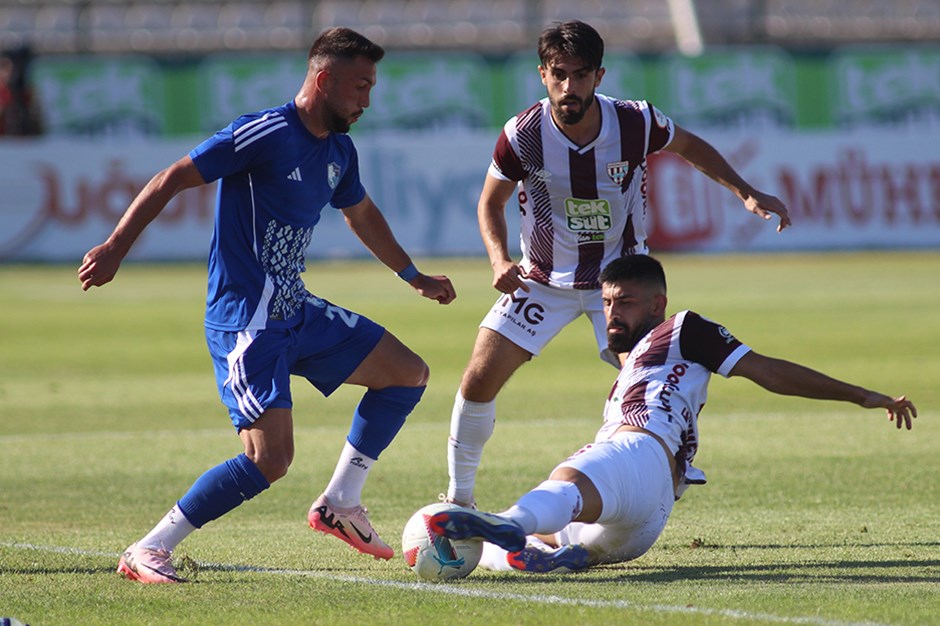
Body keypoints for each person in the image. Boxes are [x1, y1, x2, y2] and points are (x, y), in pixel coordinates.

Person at [78, 27, 456, 583]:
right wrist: (115, 248)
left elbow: (361, 214)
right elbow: (171, 179)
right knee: (270, 460)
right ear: (324, 79)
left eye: (371, 87)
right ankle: (150, 548)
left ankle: (340, 503)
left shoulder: (339, 151)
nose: (367, 101)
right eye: (359, 86)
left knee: (406, 373)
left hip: (294, 309)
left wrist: (412, 274)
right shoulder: (266, 132)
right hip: (246, 320)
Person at [444, 20, 792, 508]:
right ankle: (459, 501)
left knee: (650, 392)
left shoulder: (636, 122)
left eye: (581, 75)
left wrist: (747, 192)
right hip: (542, 279)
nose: (570, 87)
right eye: (559, 74)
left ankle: (672, 465)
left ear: (599, 76)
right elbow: (489, 203)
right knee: (477, 380)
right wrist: (499, 258)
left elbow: (690, 147)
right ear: (542, 74)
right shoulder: (522, 135)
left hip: (622, 281)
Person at [430, 254, 916, 573]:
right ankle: (533, 548)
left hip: (637, 450)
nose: (611, 314)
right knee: (541, 538)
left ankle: (511, 522)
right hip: (644, 523)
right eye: (606, 303)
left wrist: (862, 395)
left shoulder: (684, 330)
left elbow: (767, 370)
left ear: (658, 304)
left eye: (624, 302)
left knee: (566, 483)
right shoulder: (632, 368)